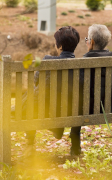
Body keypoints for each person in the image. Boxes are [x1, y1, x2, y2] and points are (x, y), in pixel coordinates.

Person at [16, 26, 80, 155]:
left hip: (45, 111)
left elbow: (36, 81)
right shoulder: (81, 65)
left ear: (60, 46)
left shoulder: (47, 61)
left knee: (31, 98)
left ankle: (30, 144)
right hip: (70, 111)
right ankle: (75, 147)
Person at [70, 24, 112, 156]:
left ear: (92, 42)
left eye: (87, 39)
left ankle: (75, 149)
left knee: (77, 108)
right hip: (108, 107)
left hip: (86, 109)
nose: (86, 42)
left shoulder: (84, 61)